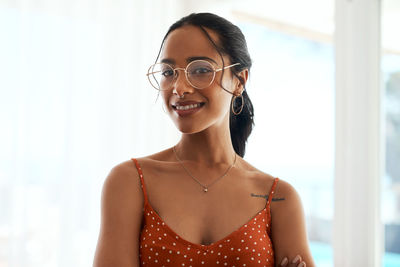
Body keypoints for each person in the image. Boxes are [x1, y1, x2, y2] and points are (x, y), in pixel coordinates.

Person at [93, 12, 315, 267]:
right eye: (168, 72)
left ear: (239, 81)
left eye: (199, 69)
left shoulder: (278, 198)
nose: (179, 87)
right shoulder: (129, 182)